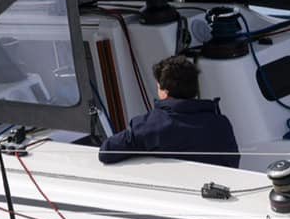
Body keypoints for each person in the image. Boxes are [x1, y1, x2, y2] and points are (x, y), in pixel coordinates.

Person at [99, 54, 240, 168]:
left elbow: (106, 152)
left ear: (165, 92)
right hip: (216, 198)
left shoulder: (150, 125)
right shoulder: (221, 124)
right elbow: (232, 163)